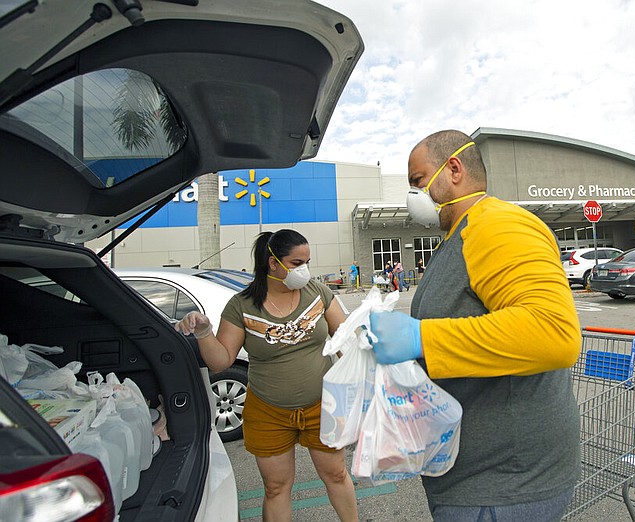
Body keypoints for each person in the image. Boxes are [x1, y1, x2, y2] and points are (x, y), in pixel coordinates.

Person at [368, 130, 582, 521]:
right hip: (470, 477)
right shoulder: (458, 235)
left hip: (503, 487)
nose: (413, 194)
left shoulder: (497, 225)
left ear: (453, 169)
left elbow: (553, 333)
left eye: (417, 181)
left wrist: (420, 338)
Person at [175, 229, 357, 522]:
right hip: (268, 412)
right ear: (273, 263)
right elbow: (221, 361)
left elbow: (348, 338)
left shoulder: (318, 293)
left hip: (324, 406)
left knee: (336, 475)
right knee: (275, 487)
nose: (305, 270)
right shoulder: (242, 306)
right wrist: (204, 332)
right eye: (297, 263)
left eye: (307, 261)